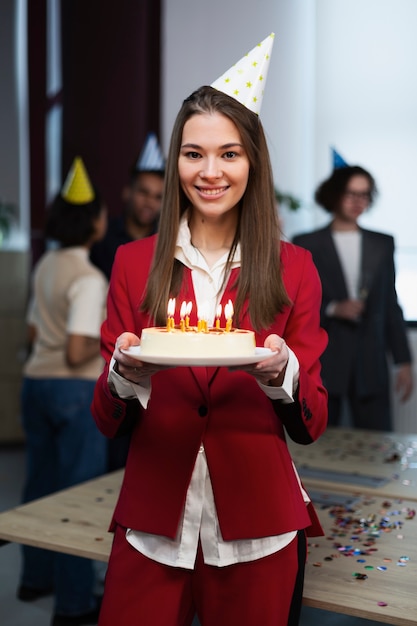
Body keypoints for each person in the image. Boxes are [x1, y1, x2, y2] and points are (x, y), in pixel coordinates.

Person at [92, 33, 328, 626]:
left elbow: (312, 424)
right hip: (153, 520)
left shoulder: (294, 268)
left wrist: (282, 375)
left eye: (229, 153)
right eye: (194, 153)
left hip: (258, 524)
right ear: (176, 162)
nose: (210, 171)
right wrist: (123, 375)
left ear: (253, 162)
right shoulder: (131, 263)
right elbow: (106, 420)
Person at [18, 157, 108, 626]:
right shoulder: (90, 278)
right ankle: (73, 604)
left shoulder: (47, 265)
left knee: (39, 485)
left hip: (35, 383)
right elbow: (77, 351)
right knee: (76, 495)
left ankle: (35, 578)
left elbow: (35, 334)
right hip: (74, 390)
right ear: (92, 221)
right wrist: (113, 339)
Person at [293, 161, 413, 431]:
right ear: (334, 195)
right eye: (351, 193)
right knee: (318, 444)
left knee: (379, 445)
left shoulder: (382, 243)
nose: (358, 201)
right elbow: (293, 303)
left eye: (365, 194)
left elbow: (390, 305)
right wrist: (334, 308)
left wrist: (403, 360)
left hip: (370, 361)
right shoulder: (306, 243)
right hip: (323, 359)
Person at [90, 132, 165, 280]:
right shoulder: (102, 237)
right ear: (127, 192)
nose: (150, 202)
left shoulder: (166, 241)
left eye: (158, 197)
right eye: (144, 192)